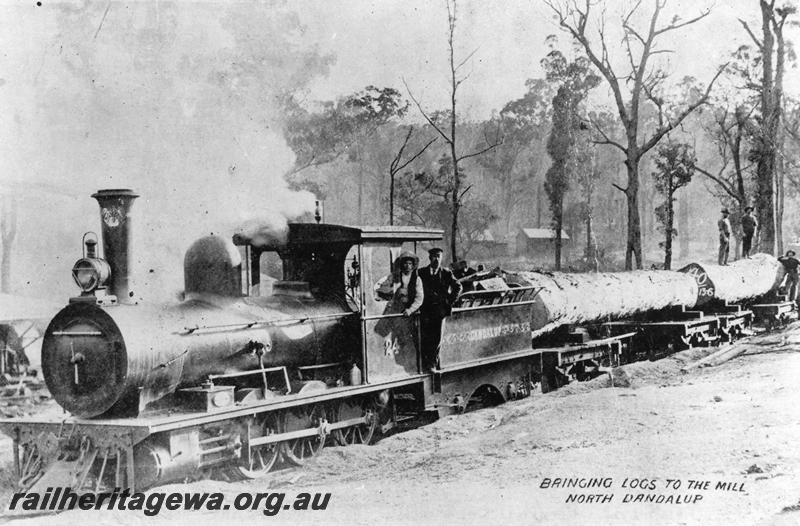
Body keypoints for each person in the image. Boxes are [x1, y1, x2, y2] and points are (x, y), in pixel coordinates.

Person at [419, 247, 462, 370]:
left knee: (437, 339)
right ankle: (425, 363)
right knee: (425, 337)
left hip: (439, 311)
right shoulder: (422, 273)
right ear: (430, 258)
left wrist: (449, 301)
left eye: (439, 256)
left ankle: (432, 364)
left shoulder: (446, 273)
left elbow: (458, 287)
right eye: (434, 256)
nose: (437, 259)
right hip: (425, 311)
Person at [374, 252, 424, 316]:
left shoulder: (417, 279)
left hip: (411, 312)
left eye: (410, 263)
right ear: (402, 264)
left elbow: (419, 299)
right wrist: (393, 291)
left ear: (413, 265)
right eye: (405, 263)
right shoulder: (394, 277)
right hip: (395, 310)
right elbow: (380, 288)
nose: (408, 266)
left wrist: (410, 310)